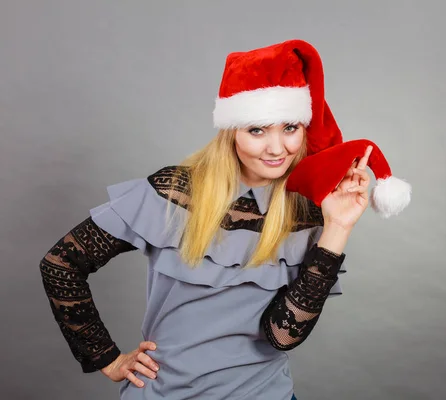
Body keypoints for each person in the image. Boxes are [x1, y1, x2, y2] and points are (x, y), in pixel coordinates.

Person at [39, 39, 411, 399]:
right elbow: (61, 264)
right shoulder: (176, 193)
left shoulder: (309, 208)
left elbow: (282, 336)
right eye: (257, 129)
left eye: (290, 128)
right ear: (231, 131)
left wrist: (338, 228)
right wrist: (106, 357)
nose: (277, 148)